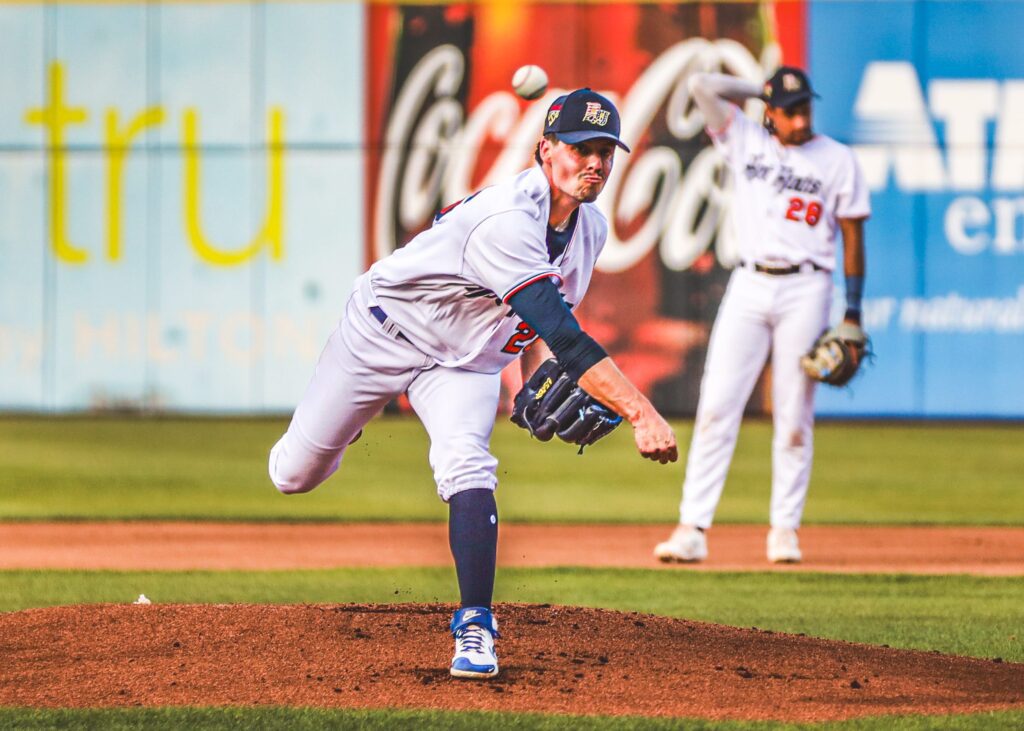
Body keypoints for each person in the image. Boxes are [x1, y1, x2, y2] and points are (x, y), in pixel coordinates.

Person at [269, 88, 678, 680]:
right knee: (293, 476)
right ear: (546, 149)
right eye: (581, 148)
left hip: (462, 364)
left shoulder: (590, 230)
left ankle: (476, 625)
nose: (595, 163)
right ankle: (345, 426)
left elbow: (538, 320)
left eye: (605, 151)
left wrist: (526, 382)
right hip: (382, 332)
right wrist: (642, 413)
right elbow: (567, 336)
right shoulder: (508, 222)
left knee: (467, 464)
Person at [654, 66, 869, 565]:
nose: (800, 118)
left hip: (807, 284)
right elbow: (701, 86)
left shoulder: (838, 159)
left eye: (804, 108)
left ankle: (785, 531)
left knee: (794, 415)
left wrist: (853, 311)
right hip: (749, 283)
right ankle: (692, 527)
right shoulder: (745, 139)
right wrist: (763, 90)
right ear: (770, 113)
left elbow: (854, 237)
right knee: (716, 407)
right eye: (789, 110)